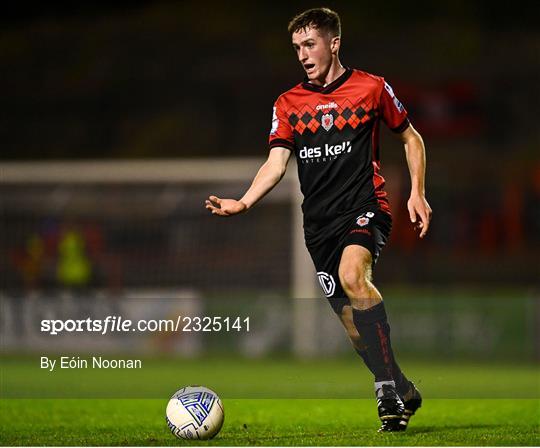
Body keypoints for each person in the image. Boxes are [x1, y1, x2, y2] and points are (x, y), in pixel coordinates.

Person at [205, 7, 432, 432]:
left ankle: (385, 392)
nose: (303, 55)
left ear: (334, 43)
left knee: (353, 275)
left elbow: (411, 137)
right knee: (352, 325)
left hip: (366, 206)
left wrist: (417, 191)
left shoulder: (371, 88)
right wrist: (245, 201)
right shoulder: (289, 103)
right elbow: (275, 164)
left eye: (310, 44)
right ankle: (400, 383)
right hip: (319, 226)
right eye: (297, 48)